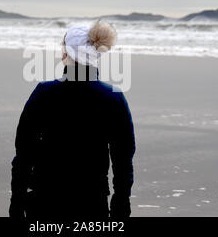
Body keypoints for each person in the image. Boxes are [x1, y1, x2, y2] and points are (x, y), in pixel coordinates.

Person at [9, 21, 135, 219]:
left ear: (65, 53)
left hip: (45, 200)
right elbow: (123, 161)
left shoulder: (44, 92)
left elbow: (23, 154)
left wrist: (16, 204)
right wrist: (121, 206)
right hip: (93, 202)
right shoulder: (113, 97)